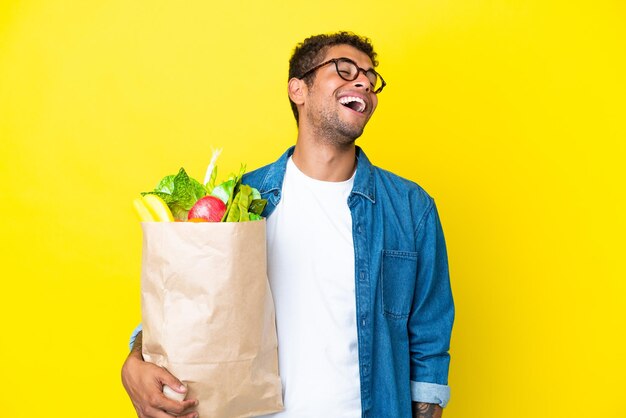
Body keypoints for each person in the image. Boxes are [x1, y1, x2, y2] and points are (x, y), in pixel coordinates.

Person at [122, 31, 454, 418]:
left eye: (370, 77)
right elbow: (186, 307)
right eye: (344, 70)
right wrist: (134, 360)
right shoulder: (240, 201)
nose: (363, 81)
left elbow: (429, 345)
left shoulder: (410, 208)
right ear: (298, 89)